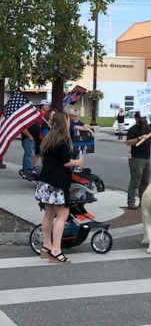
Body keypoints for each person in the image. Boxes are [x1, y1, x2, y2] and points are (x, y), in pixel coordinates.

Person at [35, 112, 86, 263]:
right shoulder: (63, 140)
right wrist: (76, 162)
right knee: (62, 216)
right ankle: (56, 250)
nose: (69, 122)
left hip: (45, 181)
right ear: (64, 123)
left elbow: (47, 159)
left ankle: (46, 246)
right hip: (57, 183)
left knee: (49, 215)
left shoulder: (48, 138)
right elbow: (65, 162)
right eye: (68, 120)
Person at [125, 111, 151, 209]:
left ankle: (143, 201)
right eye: (142, 118)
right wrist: (139, 138)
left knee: (145, 181)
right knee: (135, 181)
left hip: (147, 158)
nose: (144, 119)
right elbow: (128, 142)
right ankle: (131, 202)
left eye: (145, 117)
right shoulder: (133, 129)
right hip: (136, 158)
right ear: (136, 118)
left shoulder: (147, 128)